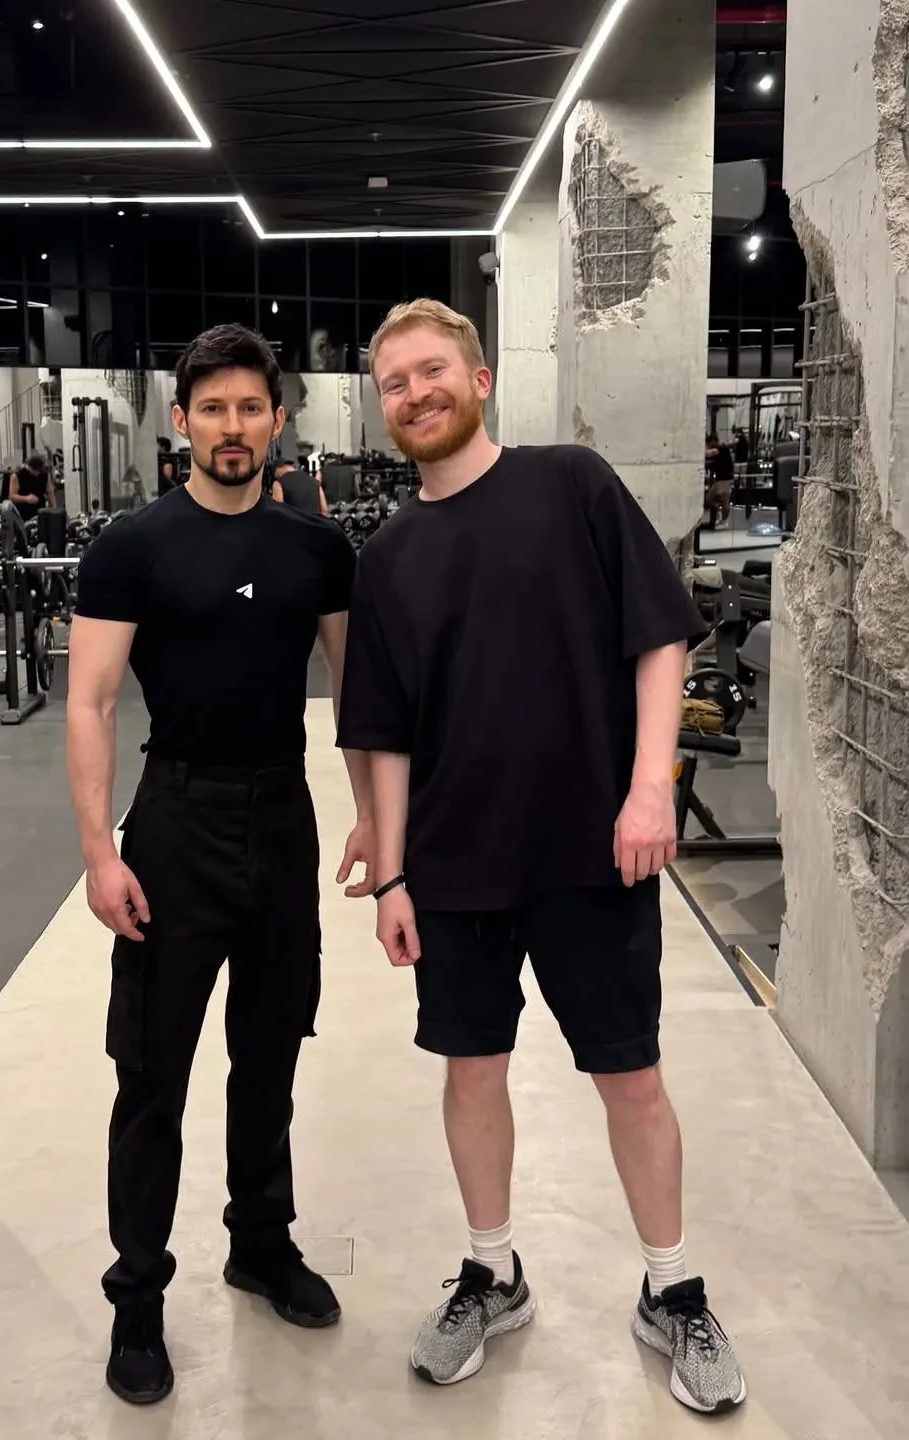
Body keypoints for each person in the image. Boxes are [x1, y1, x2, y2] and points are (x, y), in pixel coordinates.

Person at [336, 299, 746, 1415]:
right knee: (471, 1072)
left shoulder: (571, 484)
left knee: (631, 1078)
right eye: (394, 384)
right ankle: (493, 1273)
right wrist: (394, 875)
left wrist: (649, 786)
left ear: (478, 379)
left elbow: (658, 640)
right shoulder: (389, 556)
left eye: (432, 371)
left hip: (588, 854)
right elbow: (383, 734)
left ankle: (672, 1289)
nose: (414, 394)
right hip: (454, 866)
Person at [66, 323, 375, 1408]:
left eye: (250, 407)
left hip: (283, 817)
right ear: (181, 421)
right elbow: (92, 700)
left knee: (269, 1057)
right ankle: (138, 1299)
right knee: (152, 1075)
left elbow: (357, 693)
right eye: (213, 409)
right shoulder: (132, 547)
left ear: (277, 419)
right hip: (177, 821)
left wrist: (375, 816)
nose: (232, 427)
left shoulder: (317, 550)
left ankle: (261, 1244)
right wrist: (98, 853)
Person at [8, 451, 55, 517]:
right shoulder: (17, 476)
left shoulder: (44, 475)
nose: (38, 473)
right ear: (29, 467)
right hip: (22, 513)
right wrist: (26, 498)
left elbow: (50, 493)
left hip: (40, 512)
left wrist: (54, 511)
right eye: (36, 471)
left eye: (39, 471)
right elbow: (12, 496)